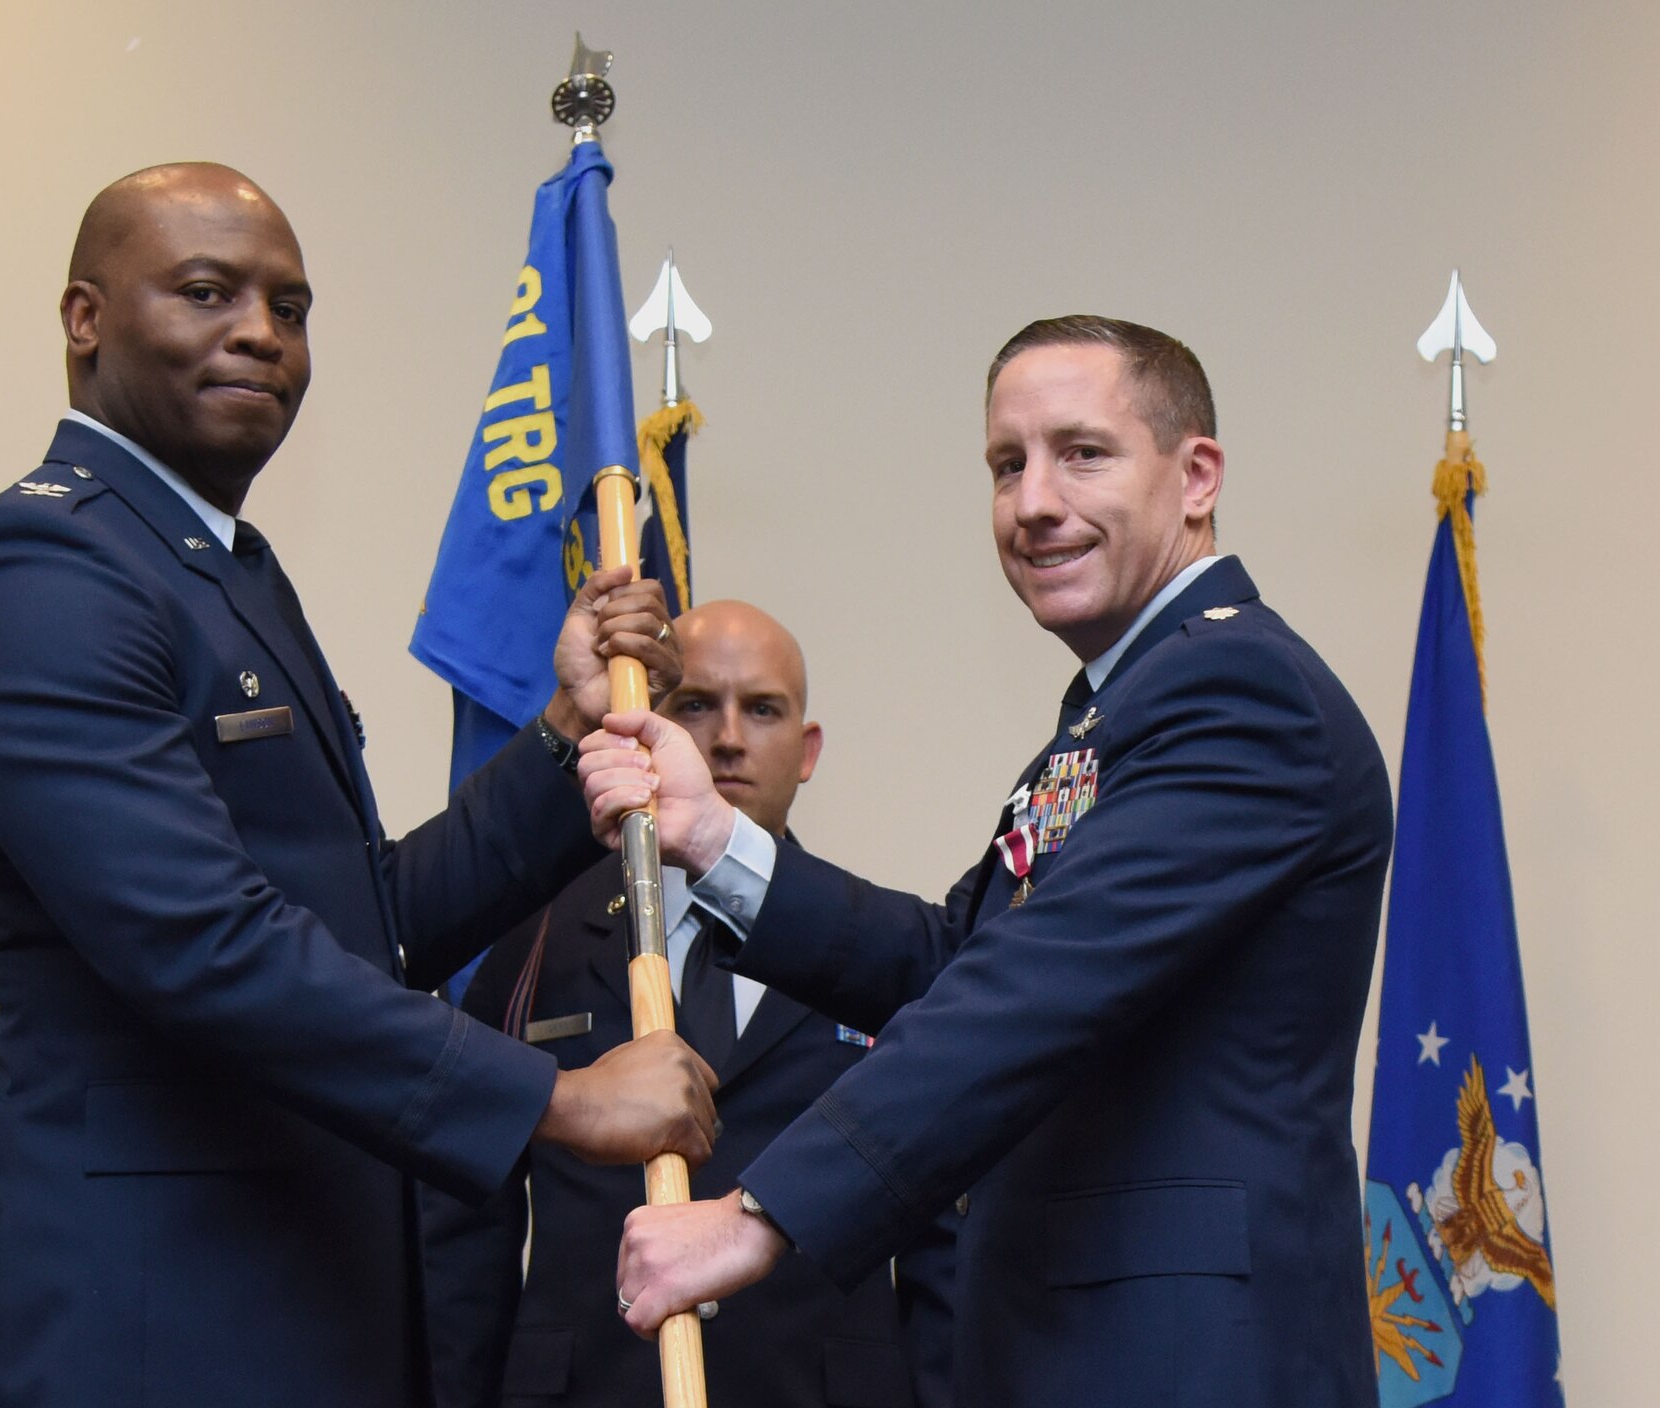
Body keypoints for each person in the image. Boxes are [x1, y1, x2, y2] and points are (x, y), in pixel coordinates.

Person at [0, 162, 720, 1408]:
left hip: (281, 1289)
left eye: (291, 307)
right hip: (128, 1307)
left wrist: (559, 737)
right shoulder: (41, 563)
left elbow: (361, 926)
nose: (260, 336)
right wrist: (555, 1096)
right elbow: (203, 944)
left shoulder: (217, 569)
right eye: (207, 293)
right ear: (85, 318)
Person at [584, 317, 1395, 1408]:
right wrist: (712, 837)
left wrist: (754, 1213)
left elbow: (1032, 992)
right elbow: (959, 960)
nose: (1032, 502)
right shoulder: (1124, 706)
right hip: (1074, 1348)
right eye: (1005, 464)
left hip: (1181, 1362)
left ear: (1194, 475)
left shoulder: (1238, 693)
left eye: (1082, 452)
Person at [421, 600, 956, 1408]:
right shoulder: (536, 945)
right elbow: (466, 1226)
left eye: (763, 709)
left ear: (808, 750)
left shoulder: (875, 950)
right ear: (645, 725)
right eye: (696, 704)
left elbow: (939, 1235)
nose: (729, 737)